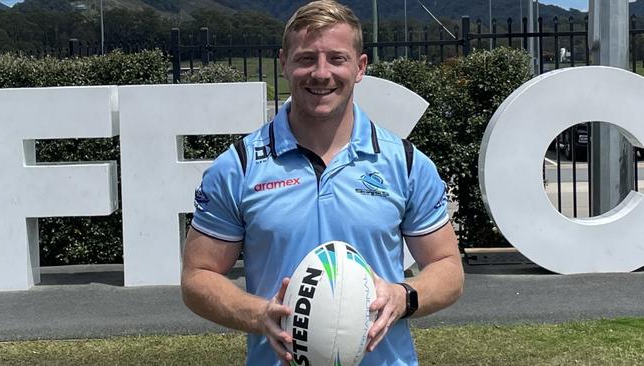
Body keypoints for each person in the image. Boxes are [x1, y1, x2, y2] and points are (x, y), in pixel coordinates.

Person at [181, 1, 464, 365]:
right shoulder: (239, 166)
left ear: (360, 67)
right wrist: (259, 314)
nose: (321, 73)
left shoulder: (405, 163)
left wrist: (402, 296)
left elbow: (448, 267)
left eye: (336, 58)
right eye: (306, 59)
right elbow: (198, 277)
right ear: (284, 63)